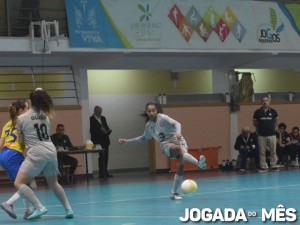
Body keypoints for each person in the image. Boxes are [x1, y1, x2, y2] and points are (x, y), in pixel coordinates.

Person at [118, 102, 206, 200]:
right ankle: (198, 163)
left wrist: (178, 133)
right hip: (165, 144)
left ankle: (173, 193)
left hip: (177, 138)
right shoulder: (149, 126)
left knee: (181, 165)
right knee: (176, 149)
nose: (151, 113)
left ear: (157, 111)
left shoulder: (163, 117)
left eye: (153, 110)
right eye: (149, 111)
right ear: (146, 112)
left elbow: (177, 123)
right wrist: (127, 141)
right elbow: (143, 138)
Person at [14, 88, 73, 220]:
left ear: (31, 101)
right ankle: (68, 209)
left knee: (18, 183)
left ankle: (39, 207)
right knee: (54, 184)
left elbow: (21, 140)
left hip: (37, 152)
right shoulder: (46, 116)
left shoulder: (21, 118)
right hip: (51, 151)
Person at [0, 100, 36, 219]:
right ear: (20, 111)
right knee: (26, 183)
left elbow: (1, 144)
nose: (28, 111)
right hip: (14, 155)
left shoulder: (7, 124)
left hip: (4, 155)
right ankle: (9, 203)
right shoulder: (23, 122)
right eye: (26, 108)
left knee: (24, 183)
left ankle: (29, 211)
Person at [253, 95, 279, 172]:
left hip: (272, 135)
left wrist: (271, 128)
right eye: (263, 100)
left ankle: (273, 165)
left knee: (273, 151)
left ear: (269, 102)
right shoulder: (257, 112)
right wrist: (259, 130)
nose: (265, 102)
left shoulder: (273, 111)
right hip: (261, 135)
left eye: (266, 100)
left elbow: (276, 122)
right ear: (261, 102)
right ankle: (263, 166)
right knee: (262, 151)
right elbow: (254, 123)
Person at [90, 106, 113, 179]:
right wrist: (103, 131)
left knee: (106, 158)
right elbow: (93, 131)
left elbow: (106, 127)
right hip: (98, 141)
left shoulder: (103, 118)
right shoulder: (91, 119)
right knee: (101, 158)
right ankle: (101, 174)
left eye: (101, 112)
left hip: (105, 140)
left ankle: (105, 172)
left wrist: (108, 131)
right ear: (95, 111)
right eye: (99, 112)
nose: (100, 113)